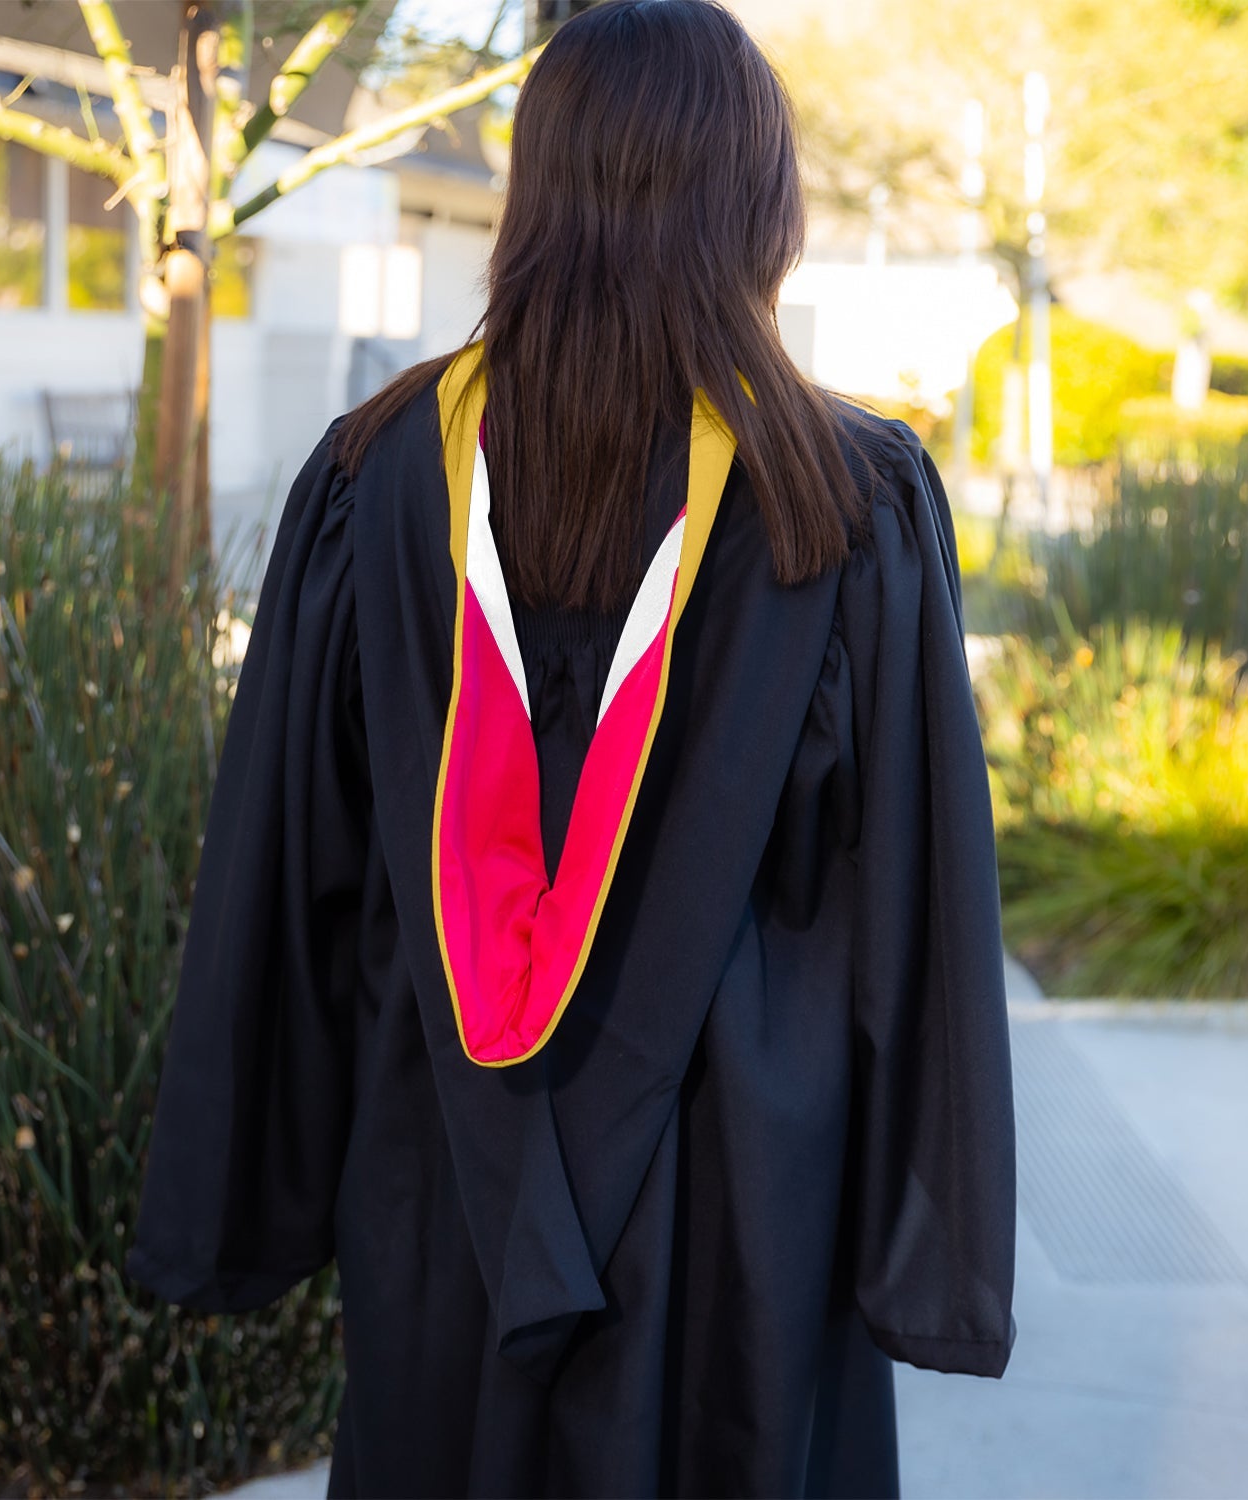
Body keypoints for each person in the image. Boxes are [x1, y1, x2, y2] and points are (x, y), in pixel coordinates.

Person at [124, 2, 1018, 1496]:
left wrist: (239, 1199)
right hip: (754, 1217)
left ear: (534, 191)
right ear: (761, 204)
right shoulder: (847, 504)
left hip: (446, 1195)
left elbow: (289, 875)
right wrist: (926, 1244)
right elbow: (917, 908)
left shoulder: (378, 478)